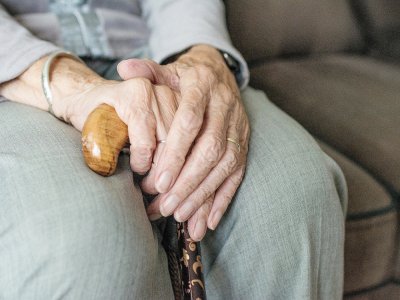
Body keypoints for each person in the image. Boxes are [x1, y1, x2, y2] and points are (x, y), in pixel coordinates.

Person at [0, 0, 347, 299]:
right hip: (15, 76)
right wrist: (64, 83)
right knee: (82, 243)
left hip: (157, 59)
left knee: (296, 194)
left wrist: (203, 56)